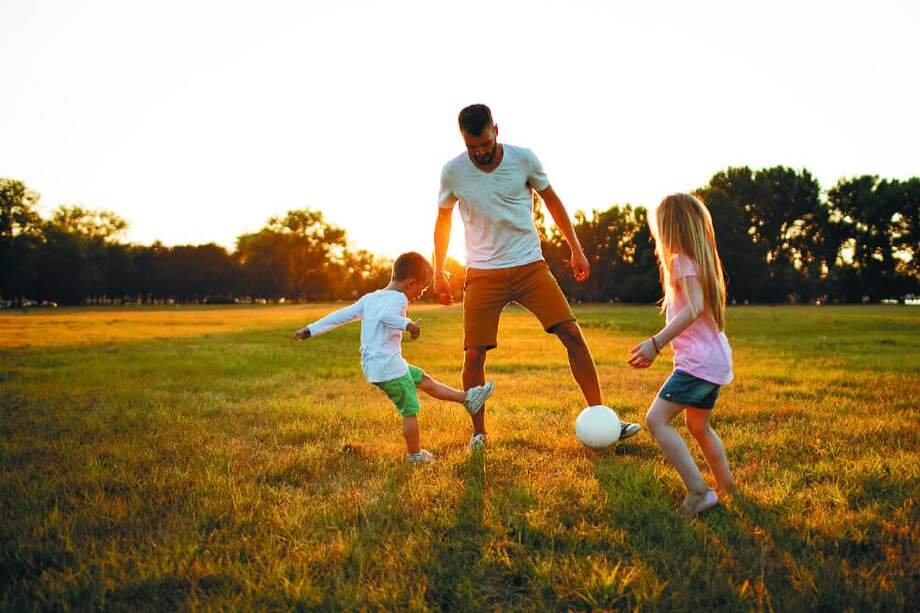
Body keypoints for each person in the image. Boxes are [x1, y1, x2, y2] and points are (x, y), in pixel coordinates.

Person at [433, 103, 641, 449]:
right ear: (463, 141)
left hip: (530, 265)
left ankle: (604, 418)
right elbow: (443, 220)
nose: (480, 153)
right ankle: (478, 433)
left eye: (485, 143)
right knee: (473, 355)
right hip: (483, 272)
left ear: (495, 129)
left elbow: (552, 201)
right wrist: (438, 270)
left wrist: (576, 247)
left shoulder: (523, 159)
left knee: (572, 334)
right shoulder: (453, 171)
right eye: (473, 147)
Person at [294, 252, 494, 464]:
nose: (420, 294)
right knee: (409, 410)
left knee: (423, 380)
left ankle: (468, 399)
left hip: (378, 366)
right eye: (422, 288)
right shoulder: (399, 299)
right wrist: (409, 325)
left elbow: (341, 315)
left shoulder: (370, 298)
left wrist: (311, 329)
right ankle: (415, 456)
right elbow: (386, 317)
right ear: (410, 283)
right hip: (389, 368)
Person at [628, 193, 734, 514]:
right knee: (699, 427)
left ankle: (699, 493)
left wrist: (656, 343)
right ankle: (727, 487)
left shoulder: (681, 261)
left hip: (698, 365)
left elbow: (694, 308)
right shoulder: (700, 261)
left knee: (656, 420)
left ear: (669, 228)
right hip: (714, 361)